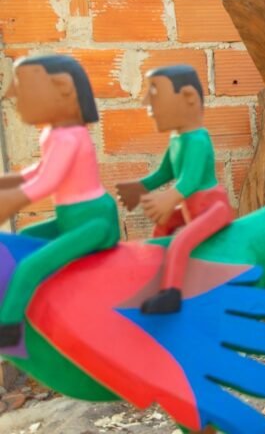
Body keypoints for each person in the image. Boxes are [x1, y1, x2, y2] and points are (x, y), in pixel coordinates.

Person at [0, 55, 120, 347]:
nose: (12, 95)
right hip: (71, 217)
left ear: (63, 87)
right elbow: (41, 171)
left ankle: (9, 330)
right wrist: (10, 182)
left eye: (23, 86)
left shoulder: (70, 137)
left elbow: (48, 182)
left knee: (30, 265)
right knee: (27, 237)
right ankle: (44, 303)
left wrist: (11, 201)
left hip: (94, 222)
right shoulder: (53, 134)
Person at [116, 66, 233, 314]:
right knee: (162, 227)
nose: (147, 101)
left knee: (181, 241)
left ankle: (171, 294)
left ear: (188, 97)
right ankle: (152, 275)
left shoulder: (198, 140)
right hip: (191, 208)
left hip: (213, 208)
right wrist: (138, 189)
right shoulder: (177, 139)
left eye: (155, 91)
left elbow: (189, 181)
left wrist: (168, 199)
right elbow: (164, 173)